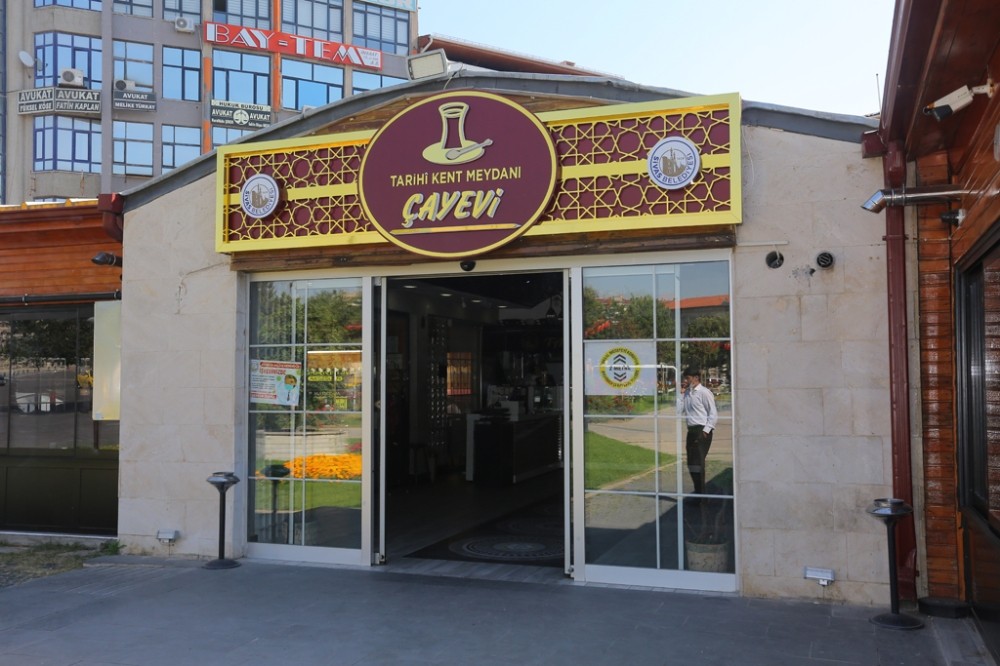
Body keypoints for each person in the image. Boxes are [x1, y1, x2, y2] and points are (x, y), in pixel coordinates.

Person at [679, 367, 718, 494]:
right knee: (691, 464)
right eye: (685, 378)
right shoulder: (687, 393)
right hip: (691, 431)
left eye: (688, 378)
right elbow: (678, 411)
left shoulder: (704, 392)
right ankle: (699, 493)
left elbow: (713, 413)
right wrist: (681, 394)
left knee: (698, 464)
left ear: (696, 378)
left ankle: (702, 497)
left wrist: (706, 431)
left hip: (701, 430)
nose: (685, 380)